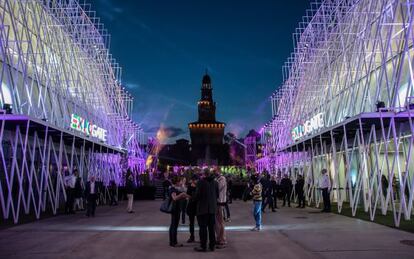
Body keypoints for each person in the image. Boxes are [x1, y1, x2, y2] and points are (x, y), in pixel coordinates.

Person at [193, 169, 219, 252]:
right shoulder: (215, 183)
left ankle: (203, 246)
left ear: (204, 174)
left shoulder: (200, 182)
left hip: (202, 209)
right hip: (212, 209)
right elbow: (217, 195)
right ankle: (212, 246)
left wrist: (193, 196)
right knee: (211, 228)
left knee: (203, 228)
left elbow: (197, 196)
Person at [169, 176, 190, 248]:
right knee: (174, 225)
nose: (181, 182)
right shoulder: (172, 189)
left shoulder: (175, 188)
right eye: (180, 181)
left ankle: (173, 241)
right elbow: (174, 198)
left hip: (176, 209)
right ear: (177, 182)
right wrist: (181, 195)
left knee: (173, 225)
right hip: (175, 209)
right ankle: (174, 242)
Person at [215, 170, 227, 249]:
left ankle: (222, 240)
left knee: (220, 221)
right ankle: (219, 238)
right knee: (217, 222)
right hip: (217, 202)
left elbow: (218, 189)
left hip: (220, 202)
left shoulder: (222, 179)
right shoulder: (218, 179)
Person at [186, 175, 198, 243]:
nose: (194, 181)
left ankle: (193, 237)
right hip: (192, 206)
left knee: (199, 223)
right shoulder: (190, 186)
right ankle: (192, 237)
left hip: (196, 206)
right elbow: (188, 195)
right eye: (193, 180)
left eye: (195, 180)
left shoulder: (198, 186)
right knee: (191, 223)